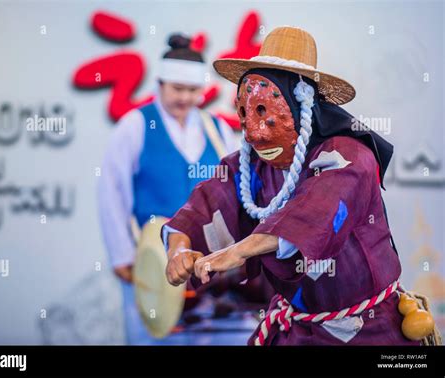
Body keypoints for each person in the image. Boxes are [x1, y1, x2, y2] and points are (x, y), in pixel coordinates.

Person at [163, 26, 421, 345]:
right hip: (296, 328)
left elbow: (317, 213)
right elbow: (204, 204)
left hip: (366, 329)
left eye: (266, 112)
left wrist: (238, 251)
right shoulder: (251, 164)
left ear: (303, 106)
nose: (254, 133)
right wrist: (179, 248)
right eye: (247, 113)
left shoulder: (350, 156)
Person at [98, 33, 236, 344]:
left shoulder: (217, 130)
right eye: (177, 89)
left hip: (205, 264)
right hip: (151, 259)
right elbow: (112, 191)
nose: (185, 98)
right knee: (156, 336)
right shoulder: (135, 125)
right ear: (159, 84)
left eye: (193, 90)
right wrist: (121, 254)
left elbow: (236, 190)